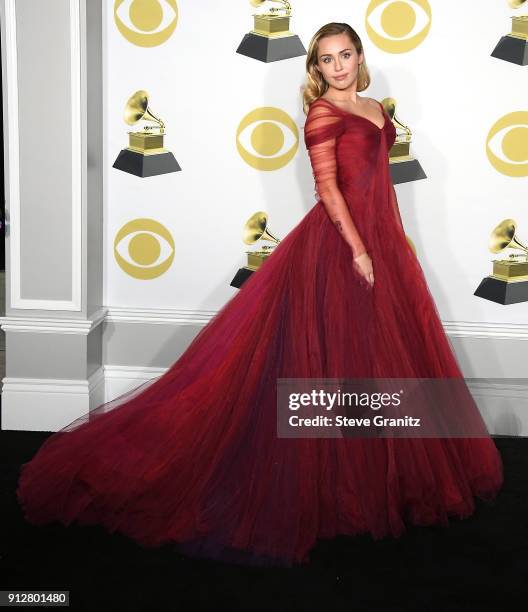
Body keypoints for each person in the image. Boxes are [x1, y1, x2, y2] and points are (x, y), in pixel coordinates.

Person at [16, 22, 503, 568]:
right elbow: (327, 188)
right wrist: (359, 249)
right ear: (315, 68)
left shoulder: (374, 108)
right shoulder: (322, 114)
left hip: (381, 240)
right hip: (341, 246)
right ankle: (321, 482)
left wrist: (383, 242)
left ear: (359, 57)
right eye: (326, 59)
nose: (338, 66)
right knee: (326, 358)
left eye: (345, 55)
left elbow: (381, 181)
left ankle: (363, 476)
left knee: (373, 359)